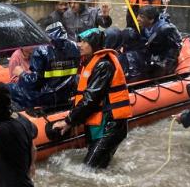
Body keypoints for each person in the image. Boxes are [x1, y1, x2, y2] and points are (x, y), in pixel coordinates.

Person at [52, 28, 132, 168]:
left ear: (94, 44)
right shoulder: (89, 63)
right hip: (99, 124)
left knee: (88, 170)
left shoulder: (103, 65)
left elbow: (90, 100)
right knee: (98, 167)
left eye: (84, 42)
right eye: (79, 41)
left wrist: (68, 121)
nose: (79, 45)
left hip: (110, 126)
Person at [9, 22, 80, 110]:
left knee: (8, 88)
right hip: (66, 93)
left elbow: (34, 83)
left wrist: (22, 73)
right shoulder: (75, 47)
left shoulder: (41, 50)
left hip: (45, 97)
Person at [135, 5, 182, 78]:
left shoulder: (166, 30)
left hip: (164, 56)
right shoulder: (144, 27)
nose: (137, 19)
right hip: (154, 52)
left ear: (151, 20)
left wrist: (164, 67)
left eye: (142, 17)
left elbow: (175, 48)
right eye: (138, 15)